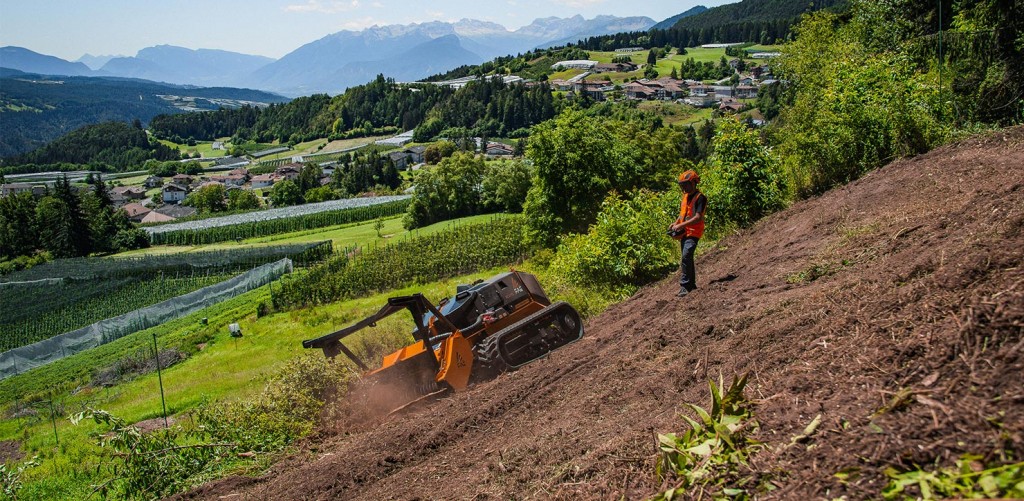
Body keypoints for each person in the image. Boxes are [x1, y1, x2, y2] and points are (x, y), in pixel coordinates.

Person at [669, 170, 706, 297]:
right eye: (682, 185)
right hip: (684, 232)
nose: (684, 187)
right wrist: (675, 223)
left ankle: (685, 286)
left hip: (694, 232)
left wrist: (681, 225)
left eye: (686, 184)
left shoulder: (700, 198)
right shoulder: (685, 197)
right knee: (687, 258)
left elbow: (698, 217)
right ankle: (692, 284)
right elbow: (683, 214)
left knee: (686, 256)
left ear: (694, 183)